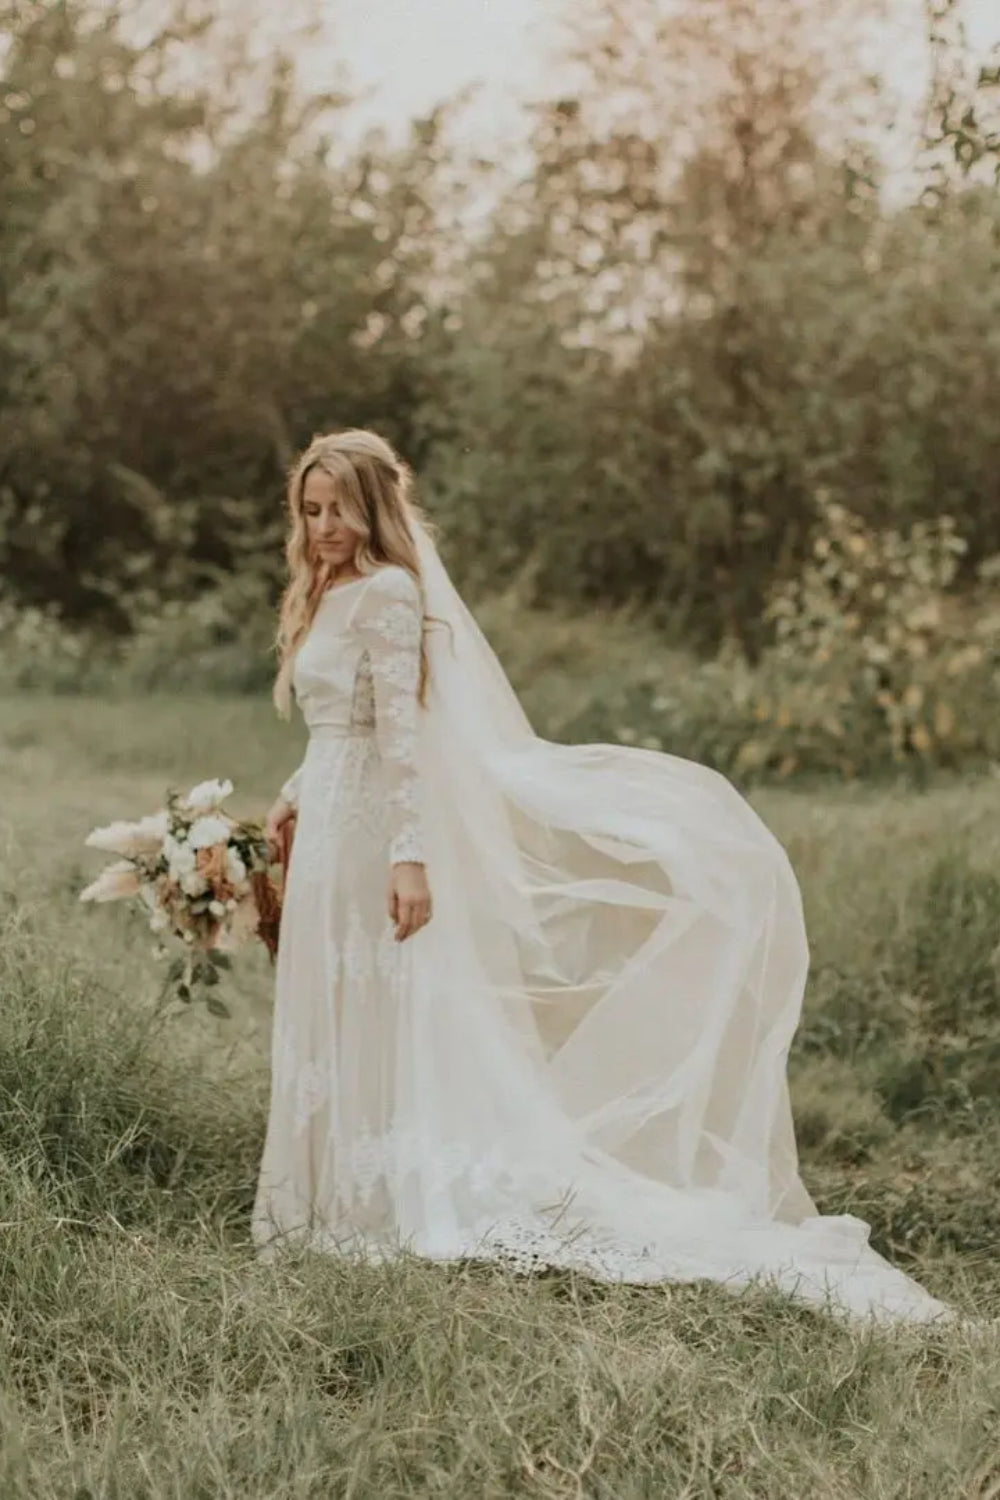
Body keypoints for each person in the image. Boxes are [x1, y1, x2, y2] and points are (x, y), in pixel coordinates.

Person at [251, 427, 953, 1325]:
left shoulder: (389, 592)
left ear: (376, 509)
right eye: (309, 512)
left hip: (377, 836)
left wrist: (411, 856)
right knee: (334, 1002)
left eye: (338, 510)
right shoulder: (326, 590)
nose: (322, 528)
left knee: (387, 1001)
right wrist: (292, 791)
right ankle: (323, 1194)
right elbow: (336, 727)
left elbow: (402, 733)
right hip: (329, 833)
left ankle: (382, 1195)